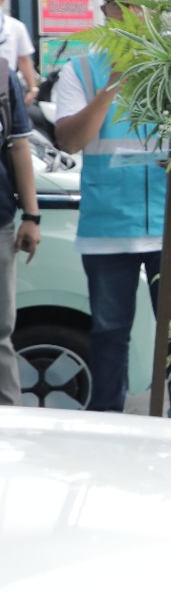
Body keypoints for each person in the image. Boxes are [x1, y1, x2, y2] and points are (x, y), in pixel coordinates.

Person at [54, 0, 171, 412]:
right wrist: (111, 87)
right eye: (119, 5)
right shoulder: (79, 70)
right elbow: (70, 139)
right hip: (108, 228)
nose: (131, 15)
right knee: (109, 334)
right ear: (104, 11)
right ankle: (107, 429)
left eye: (141, 4)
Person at [0, 58, 40, 406]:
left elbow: (19, 145)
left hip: (0, 223)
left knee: (0, 334)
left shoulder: (1, 73)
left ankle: (8, 425)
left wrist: (32, 215)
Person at [0, 0, 39, 101]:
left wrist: (32, 88)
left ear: (2, 0)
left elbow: (24, 60)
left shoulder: (16, 27)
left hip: (7, 88)